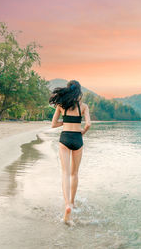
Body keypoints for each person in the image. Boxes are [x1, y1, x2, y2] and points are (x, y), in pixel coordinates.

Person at [49, 80, 91, 224]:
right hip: (78, 139)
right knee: (74, 173)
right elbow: (89, 124)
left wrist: (65, 122)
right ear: (78, 92)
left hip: (65, 138)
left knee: (65, 173)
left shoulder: (61, 106)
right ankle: (72, 202)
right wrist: (82, 131)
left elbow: (53, 124)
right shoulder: (84, 106)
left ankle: (67, 204)